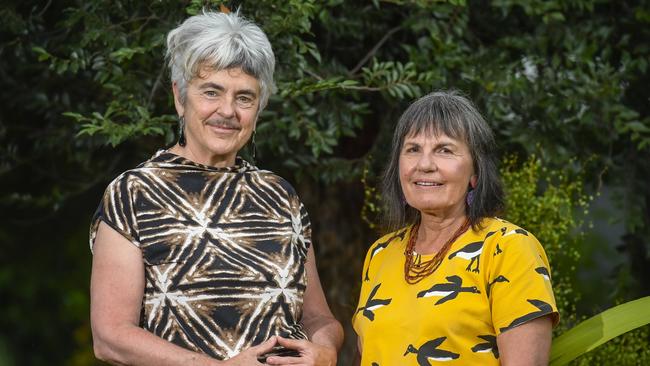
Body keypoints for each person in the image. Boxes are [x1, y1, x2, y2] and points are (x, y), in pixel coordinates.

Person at [89, 10, 343, 366]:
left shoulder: (280, 195)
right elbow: (110, 336)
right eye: (212, 92)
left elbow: (318, 318)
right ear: (180, 97)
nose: (227, 110)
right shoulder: (133, 193)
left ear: (259, 108)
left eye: (244, 98)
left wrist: (326, 350)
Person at [352, 91, 559, 365]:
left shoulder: (509, 248)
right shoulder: (380, 253)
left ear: (475, 172)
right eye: (413, 149)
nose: (424, 165)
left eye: (444, 150)